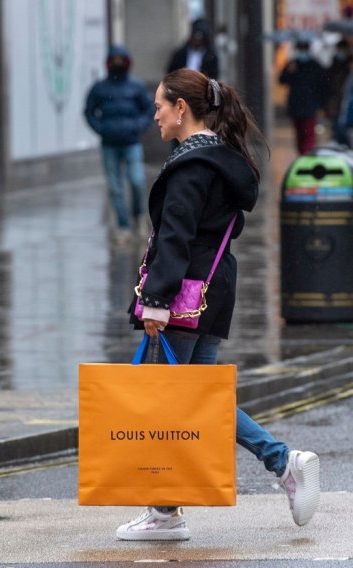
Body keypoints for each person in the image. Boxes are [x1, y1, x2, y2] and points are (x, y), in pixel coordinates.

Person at [119, 68, 321, 541]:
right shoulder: (225, 159)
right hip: (212, 292)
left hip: (181, 297)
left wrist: (155, 300)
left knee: (166, 402)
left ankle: (272, 463)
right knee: (198, 399)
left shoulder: (191, 166)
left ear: (181, 108)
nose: (155, 116)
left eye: (160, 106)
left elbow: (176, 235)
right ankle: (179, 507)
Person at [84, 45, 154, 244]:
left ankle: (138, 216)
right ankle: (123, 226)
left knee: (137, 180)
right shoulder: (100, 88)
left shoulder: (136, 87)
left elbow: (148, 110)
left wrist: (137, 126)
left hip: (131, 142)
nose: (117, 65)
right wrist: (101, 128)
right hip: (109, 144)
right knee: (115, 187)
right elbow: (88, 111)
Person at [278, 39, 328, 155]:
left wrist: (321, 104)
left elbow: (323, 86)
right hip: (296, 106)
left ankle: (307, 155)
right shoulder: (292, 64)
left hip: (310, 106)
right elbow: (281, 80)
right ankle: (302, 155)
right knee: (299, 134)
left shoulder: (315, 66)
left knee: (309, 134)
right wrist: (289, 71)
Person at [326, 39, 352, 145]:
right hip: (337, 103)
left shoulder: (348, 67)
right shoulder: (334, 65)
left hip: (347, 108)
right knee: (338, 129)